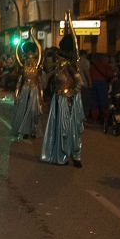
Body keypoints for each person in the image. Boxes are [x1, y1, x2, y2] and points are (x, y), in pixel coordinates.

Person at [41, 26, 85, 167]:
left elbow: (79, 82)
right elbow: (49, 79)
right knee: (60, 129)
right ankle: (62, 155)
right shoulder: (59, 66)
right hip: (58, 100)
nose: (58, 56)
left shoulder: (70, 66)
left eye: (60, 54)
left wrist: (71, 95)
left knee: (70, 129)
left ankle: (75, 156)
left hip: (69, 101)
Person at [11, 37, 43, 140]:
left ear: (34, 57)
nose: (30, 59)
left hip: (34, 90)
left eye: (32, 57)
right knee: (24, 110)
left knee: (33, 110)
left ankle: (33, 129)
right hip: (24, 90)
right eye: (28, 57)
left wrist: (34, 37)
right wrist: (16, 92)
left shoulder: (37, 67)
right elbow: (20, 80)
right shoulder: (22, 67)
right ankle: (25, 131)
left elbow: (39, 82)